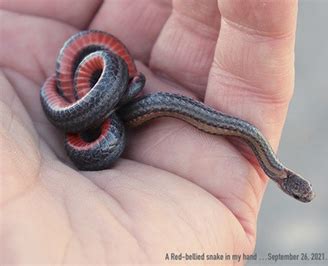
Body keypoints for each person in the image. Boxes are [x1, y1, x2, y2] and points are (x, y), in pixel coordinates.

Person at [0, 0, 298, 264]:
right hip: (93, 107)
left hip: (99, 110)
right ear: (284, 181)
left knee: (154, 104)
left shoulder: (111, 102)